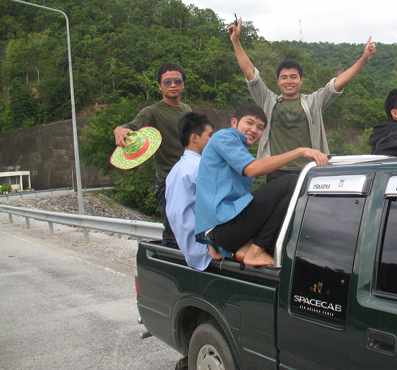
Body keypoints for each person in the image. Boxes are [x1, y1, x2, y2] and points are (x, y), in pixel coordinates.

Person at [228, 18, 376, 180]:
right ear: (278, 81)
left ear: (301, 80)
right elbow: (251, 73)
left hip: (310, 171)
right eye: (284, 77)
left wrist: (363, 58)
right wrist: (236, 41)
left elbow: (338, 83)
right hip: (276, 172)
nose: (289, 81)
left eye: (293, 77)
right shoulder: (268, 101)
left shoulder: (314, 101)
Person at [195, 104, 328, 267]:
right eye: (249, 122)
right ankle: (256, 250)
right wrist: (300, 151)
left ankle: (241, 248)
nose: (254, 130)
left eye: (260, 127)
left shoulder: (237, 148)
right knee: (292, 182)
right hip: (221, 229)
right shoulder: (224, 137)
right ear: (234, 122)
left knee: (283, 195)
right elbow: (253, 169)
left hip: (222, 231)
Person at [113, 63, 191, 242]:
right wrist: (119, 130)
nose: (173, 85)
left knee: (191, 232)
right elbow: (131, 127)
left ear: (183, 85)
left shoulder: (187, 109)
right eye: (167, 82)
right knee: (173, 234)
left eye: (177, 81)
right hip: (169, 182)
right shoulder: (152, 112)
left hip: (190, 179)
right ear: (160, 86)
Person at [165, 112, 214, 270]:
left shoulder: (176, 169)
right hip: (205, 248)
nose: (213, 141)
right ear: (194, 138)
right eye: (209, 136)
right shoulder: (200, 167)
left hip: (189, 247)